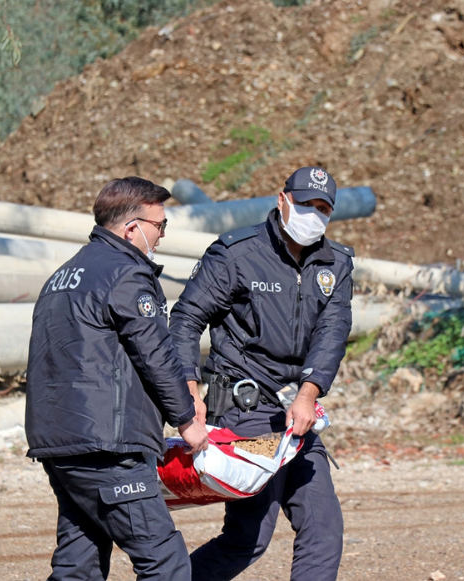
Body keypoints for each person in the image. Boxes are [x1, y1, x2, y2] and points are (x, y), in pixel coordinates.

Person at [170, 166, 354, 581]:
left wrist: (309, 392)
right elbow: (185, 319)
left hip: (294, 411)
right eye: (306, 203)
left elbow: (332, 331)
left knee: (324, 527)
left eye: (323, 208)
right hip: (242, 410)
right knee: (248, 538)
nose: (314, 214)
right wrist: (188, 390)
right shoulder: (238, 253)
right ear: (283, 199)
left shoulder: (336, 264)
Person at [25, 176, 209, 581]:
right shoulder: (127, 274)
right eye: (160, 226)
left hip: (60, 446)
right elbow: (155, 353)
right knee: (165, 563)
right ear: (132, 228)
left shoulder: (62, 277)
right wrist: (187, 420)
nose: (161, 236)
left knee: (79, 563)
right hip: (109, 450)